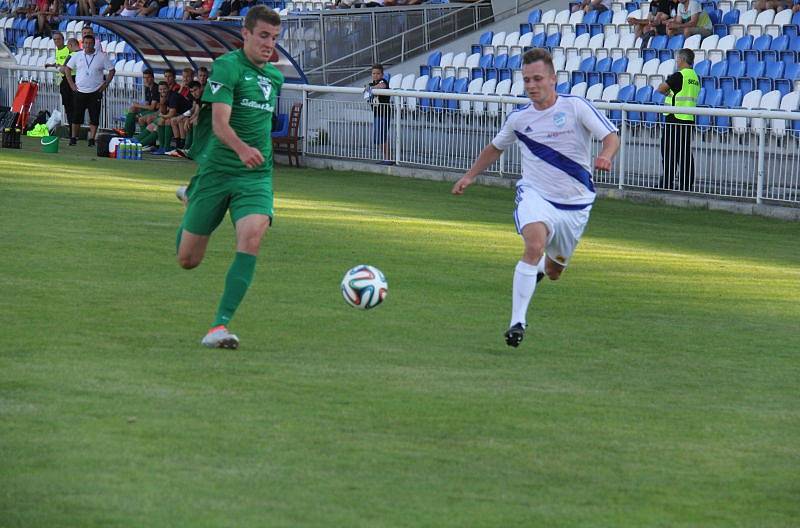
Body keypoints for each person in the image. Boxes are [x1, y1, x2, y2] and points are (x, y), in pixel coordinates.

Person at [451, 48, 619, 348]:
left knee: (554, 272)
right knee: (534, 244)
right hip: (535, 195)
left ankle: (541, 269)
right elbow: (495, 148)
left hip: (576, 204)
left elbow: (611, 136)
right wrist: (470, 175)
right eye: (526, 79)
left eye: (537, 78)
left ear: (553, 79)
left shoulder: (576, 107)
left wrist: (606, 155)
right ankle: (517, 322)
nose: (531, 85)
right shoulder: (519, 119)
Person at [175, 5, 284, 349]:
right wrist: (240, 149)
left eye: (275, 38)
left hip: (256, 175)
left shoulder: (275, 77)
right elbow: (221, 125)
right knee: (188, 260)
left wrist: (254, 154)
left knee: (252, 236)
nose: (269, 43)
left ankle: (219, 326)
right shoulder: (227, 67)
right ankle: (193, 197)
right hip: (218, 171)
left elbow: (259, 124)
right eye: (263, 35)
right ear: (246, 34)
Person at [656, 48, 699, 191]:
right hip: (688, 119)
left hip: (674, 118)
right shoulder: (695, 76)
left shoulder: (679, 75)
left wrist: (669, 94)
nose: (676, 62)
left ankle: (667, 183)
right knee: (685, 152)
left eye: (677, 59)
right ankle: (686, 184)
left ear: (682, 59)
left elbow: (661, 88)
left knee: (669, 151)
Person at [64, 33, 115, 147]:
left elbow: (112, 70)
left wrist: (105, 84)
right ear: (83, 44)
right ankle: (73, 137)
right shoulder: (77, 55)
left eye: (90, 43)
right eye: (86, 43)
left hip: (95, 91)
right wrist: (71, 84)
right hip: (80, 90)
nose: (88, 45)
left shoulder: (101, 56)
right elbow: (67, 69)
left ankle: (92, 138)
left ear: (94, 44)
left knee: (94, 116)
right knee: (77, 116)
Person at [45, 32, 77, 129]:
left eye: (58, 39)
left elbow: (69, 61)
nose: (56, 41)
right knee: (67, 105)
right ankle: (72, 128)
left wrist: (63, 66)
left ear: (63, 39)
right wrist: (52, 65)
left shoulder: (69, 49)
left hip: (72, 77)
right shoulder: (57, 50)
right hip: (63, 79)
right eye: (54, 39)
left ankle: (74, 128)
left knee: (73, 105)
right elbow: (60, 63)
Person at [367, 63, 393, 165]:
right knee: (377, 138)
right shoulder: (371, 84)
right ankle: (386, 158)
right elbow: (366, 91)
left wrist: (371, 89)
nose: (375, 75)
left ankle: (388, 159)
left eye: (378, 73)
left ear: (382, 74)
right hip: (377, 114)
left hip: (384, 114)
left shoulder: (383, 81)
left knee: (382, 136)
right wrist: (370, 88)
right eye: (373, 73)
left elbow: (382, 86)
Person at [123, 68, 159, 137]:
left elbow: (152, 107)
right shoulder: (147, 88)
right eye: (144, 78)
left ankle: (130, 133)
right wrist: (138, 105)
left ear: (152, 78)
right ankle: (127, 132)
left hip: (156, 111)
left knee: (137, 115)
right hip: (151, 109)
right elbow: (147, 104)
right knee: (132, 108)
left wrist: (138, 105)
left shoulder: (156, 88)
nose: (146, 80)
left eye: (148, 77)